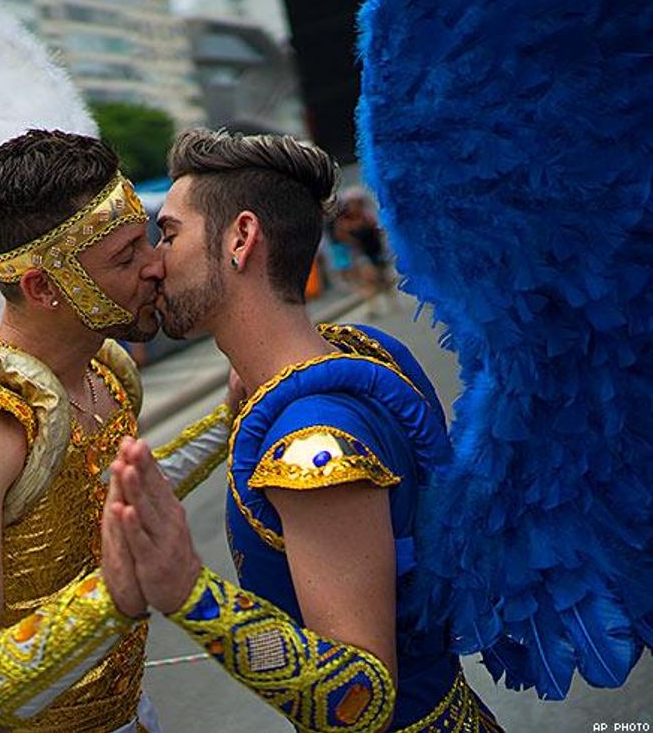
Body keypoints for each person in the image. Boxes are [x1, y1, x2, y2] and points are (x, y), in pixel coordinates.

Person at [100, 128, 503, 731]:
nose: (154, 263)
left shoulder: (313, 442)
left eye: (170, 233)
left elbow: (362, 696)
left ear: (241, 239)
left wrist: (189, 591)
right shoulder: (364, 356)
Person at [0, 129, 232, 732]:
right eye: (126, 257)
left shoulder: (106, 373)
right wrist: (112, 601)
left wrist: (230, 421)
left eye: (147, 239)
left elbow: (108, 498)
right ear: (45, 287)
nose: (156, 264)